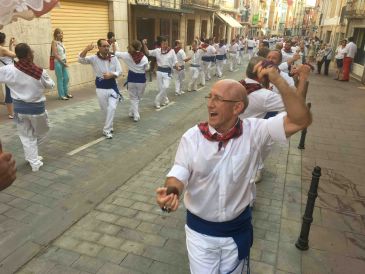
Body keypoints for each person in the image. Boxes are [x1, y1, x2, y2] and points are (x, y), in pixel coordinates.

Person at [156, 70, 311, 273]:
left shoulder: (256, 131)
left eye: (218, 99)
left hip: (236, 232)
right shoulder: (192, 137)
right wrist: (171, 193)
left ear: (237, 107)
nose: (210, 104)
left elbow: (300, 120)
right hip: (200, 235)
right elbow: (179, 171)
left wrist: (279, 81)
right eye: (210, 97)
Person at [0, 43, 55, 172]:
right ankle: (34, 160)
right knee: (42, 132)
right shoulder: (39, 71)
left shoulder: (8, 69)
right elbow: (50, 85)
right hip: (37, 110)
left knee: (26, 136)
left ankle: (32, 157)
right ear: (30, 54)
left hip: (19, 110)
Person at [78, 39, 122, 139]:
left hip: (112, 87)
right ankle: (110, 126)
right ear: (99, 47)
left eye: (108, 46)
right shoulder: (94, 58)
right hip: (101, 88)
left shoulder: (114, 58)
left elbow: (119, 71)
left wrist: (112, 74)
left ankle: (106, 130)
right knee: (105, 110)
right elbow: (81, 60)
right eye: (104, 46)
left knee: (112, 107)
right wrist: (86, 49)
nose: (107, 48)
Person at [115, 40, 149, 122]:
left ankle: (131, 112)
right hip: (141, 80)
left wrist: (114, 44)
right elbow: (146, 69)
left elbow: (115, 53)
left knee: (134, 98)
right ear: (140, 47)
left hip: (131, 79)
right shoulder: (144, 58)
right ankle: (136, 115)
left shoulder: (126, 55)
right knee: (137, 98)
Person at [142, 36, 179, 109]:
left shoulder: (171, 51)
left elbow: (175, 61)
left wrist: (177, 66)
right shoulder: (157, 51)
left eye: (167, 44)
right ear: (161, 44)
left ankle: (157, 101)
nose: (165, 45)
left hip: (167, 71)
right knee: (161, 88)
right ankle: (166, 100)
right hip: (159, 71)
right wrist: (144, 44)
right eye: (164, 44)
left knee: (165, 86)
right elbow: (147, 52)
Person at [52, 28, 71, 101]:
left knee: (66, 78)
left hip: (63, 62)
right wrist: (63, 63)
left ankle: (66, 93)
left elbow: (63, 53)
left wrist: (65, 62)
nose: (61, 34)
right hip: (58, 63)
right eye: (59, 33)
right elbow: (56, 54)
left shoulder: (61, 42)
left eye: (62, 33)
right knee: (60, 79)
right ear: (56, 34)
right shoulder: (54, 42)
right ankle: (61, 95)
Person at [0, 32, 16, 119]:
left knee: (9, 90)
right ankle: (11, 113)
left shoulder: (3, 49)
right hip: (8, 72)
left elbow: (10, 55)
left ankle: (11, 111)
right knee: (9, 91)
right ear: (2, 40)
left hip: (4, 72)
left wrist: (10, 45)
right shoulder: (2, 49)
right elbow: (14, 55)